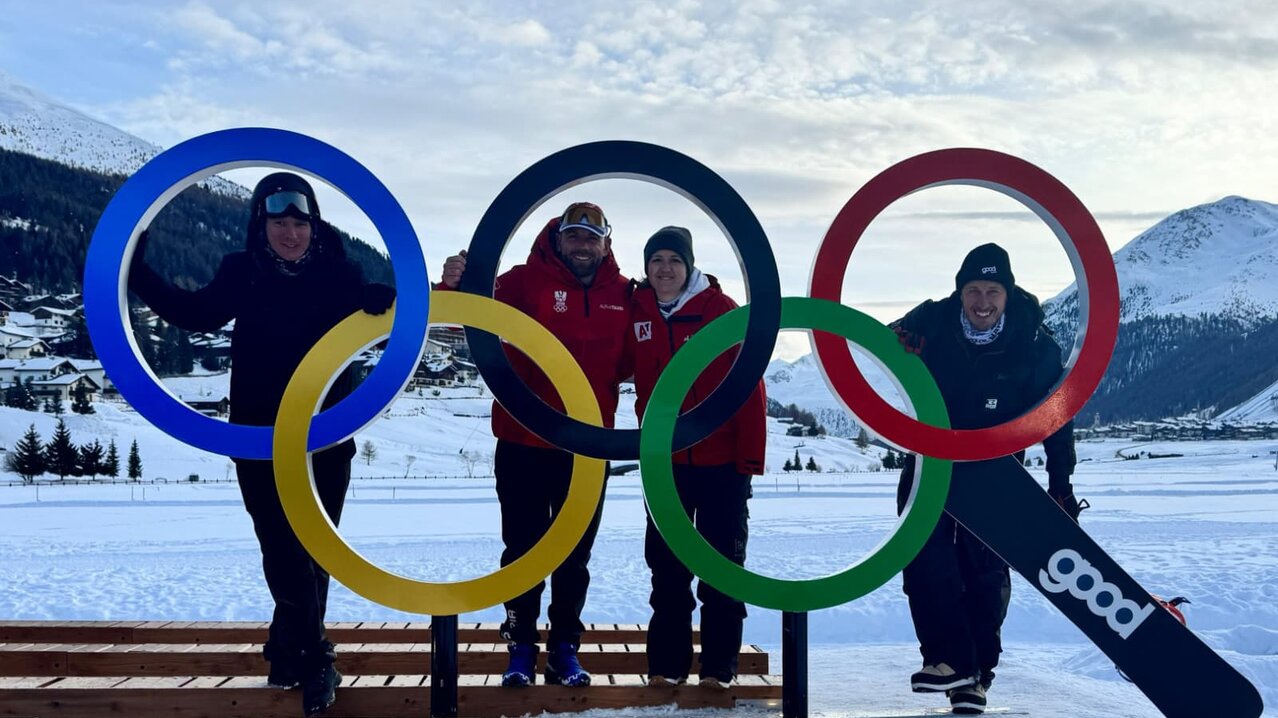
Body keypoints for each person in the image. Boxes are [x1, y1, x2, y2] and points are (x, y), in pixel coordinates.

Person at [129, 172, 395, 717]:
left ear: (314, 225)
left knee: (318, 547)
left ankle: (293, 648)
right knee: (280, 546)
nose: (291, 233)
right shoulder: (240, 271)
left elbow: (382, 317)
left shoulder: (339, 273)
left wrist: (380, 301)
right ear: (261, 223)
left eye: (300, 222)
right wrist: (133, 271)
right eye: (280, 222)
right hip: (257, 436)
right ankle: (314, 654)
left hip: (326, 434)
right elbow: (193, 313)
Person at [438, 202, 631, 687]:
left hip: (588, 446)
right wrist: (453, 284)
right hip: (523, 439)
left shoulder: (624, 294)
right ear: (558, 238)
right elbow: (463, 314)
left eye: (592, 238)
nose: (583, 245)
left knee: (575, 554)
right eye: (575, 236)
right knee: (521, 549)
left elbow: (637, 358)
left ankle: (565, 646)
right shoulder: (523, 281)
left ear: (606, 243)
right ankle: (521, 643)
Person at [890, 243, 1082, 715]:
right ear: (959, 293)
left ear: (1007, 293)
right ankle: (946, 661)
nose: (981, 301)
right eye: (972, 289)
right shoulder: (932, 319)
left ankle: (976, 677)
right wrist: (901, 343)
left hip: (998, 470)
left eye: (992, 290)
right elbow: (881, 341)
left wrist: (1061, 485)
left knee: (985, 570)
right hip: (931, 460)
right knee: (921, 560)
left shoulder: (1035, 341)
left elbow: (1057, 417)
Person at [623, 226, 766, 690]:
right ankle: (666, 667)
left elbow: (749, 387)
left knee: (722, 569)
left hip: (721, 466)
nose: (665, 269)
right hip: (664, 465)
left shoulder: (719, 312)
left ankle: (718, 670)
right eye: (656, 260)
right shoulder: (638, 309)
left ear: (690, 267)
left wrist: (748, 459)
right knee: (666, 571)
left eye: (674, 261)